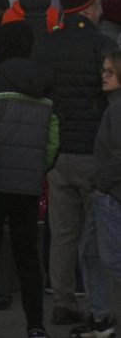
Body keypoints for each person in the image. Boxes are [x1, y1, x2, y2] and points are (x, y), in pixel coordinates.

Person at [0, 21, 57, 338]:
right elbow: (53, 138)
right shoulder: (45, 83)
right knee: (27, 255)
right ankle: (35, 324)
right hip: (29, 182)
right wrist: (39, 167)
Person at [32, 0, 116, 326]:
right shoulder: (103, 46)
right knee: (96, 239)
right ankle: (100, 306)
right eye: (97, 3)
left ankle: (63, 301)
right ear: (87, 6)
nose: (100, 9)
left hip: (57, 154)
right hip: (93, 153)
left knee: (63, 233)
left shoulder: (45, 46)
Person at [77, 48, 121, 338]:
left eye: (109, 72)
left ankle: (104, 316)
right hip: (105, 189)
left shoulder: (117, 108)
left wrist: (102, 184)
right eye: (103, 71)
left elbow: (118, 153)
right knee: (91, 251)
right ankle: (102, 316)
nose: (103, 77)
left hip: (109, 192)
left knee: (109, 257)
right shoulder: (113, 105)